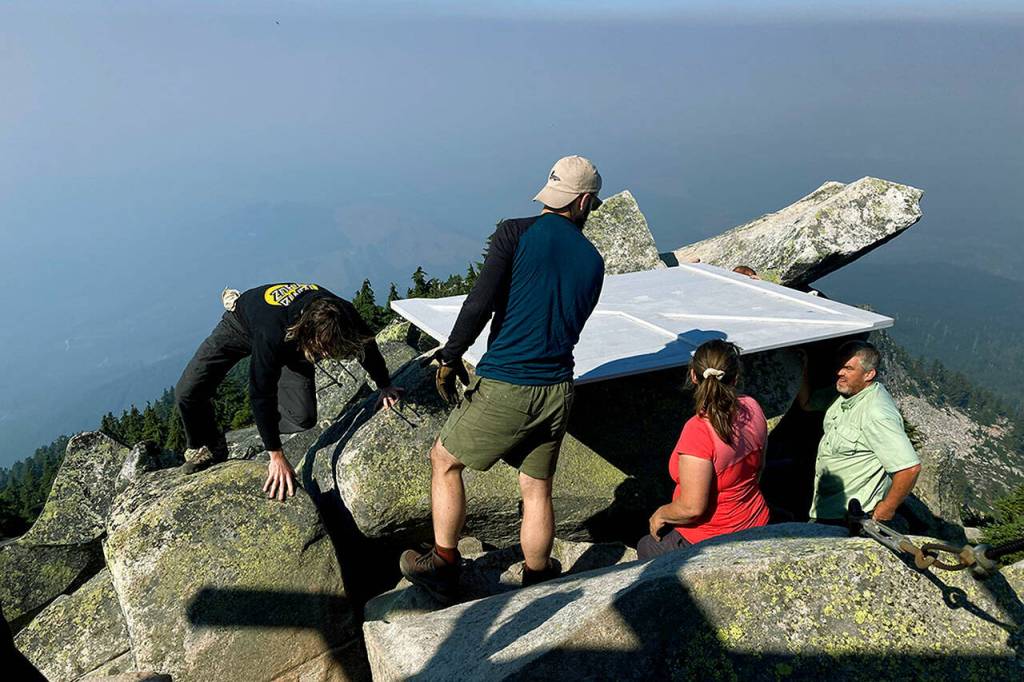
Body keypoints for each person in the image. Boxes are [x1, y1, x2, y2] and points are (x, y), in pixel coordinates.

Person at [399, 155, 605, 598]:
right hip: (558, 388)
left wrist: (450, 357)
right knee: (536, 487)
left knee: (444, 460)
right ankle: (537, 574)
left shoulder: (515, 231)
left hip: (508, 383)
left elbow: (480, 303)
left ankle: (443, 563)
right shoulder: (593, 261)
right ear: (585, 200)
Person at [174, 283, 403, 499]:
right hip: (240, 324)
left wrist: (384, 385)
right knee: (188, 391)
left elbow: (368, 346)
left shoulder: (344, 313)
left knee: (302, 419)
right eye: (322, 350)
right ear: (309, 332)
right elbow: (260, 391)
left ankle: (264, 426)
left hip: (295, 342)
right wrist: (276, 455)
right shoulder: (272, 332)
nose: (325, 356)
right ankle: (206, 445)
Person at [639, 339, 770, 560]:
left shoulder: (698, 432)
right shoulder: (752, 407)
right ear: (735, 378)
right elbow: (759, 470)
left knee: (646, 547)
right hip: (756, 519)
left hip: (711, 537)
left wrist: (661, 514)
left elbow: (692, 508)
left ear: (693, 375)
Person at [808, 340, 921, 524]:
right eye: (839, 367)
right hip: (827, 509)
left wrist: (887, 509)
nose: (840, 373)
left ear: (869, 374)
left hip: (850, 518)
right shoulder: (847, 394)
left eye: (848, 369)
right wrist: (804, 367)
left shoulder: (876, 413)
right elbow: (808, 403)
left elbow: (909, 468)